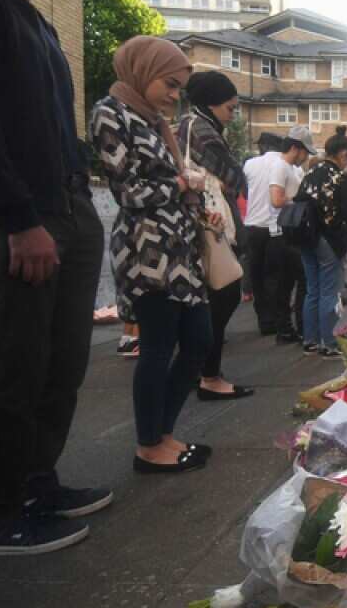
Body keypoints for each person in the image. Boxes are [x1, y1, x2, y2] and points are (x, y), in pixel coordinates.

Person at [0, 0, 111, 555]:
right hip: (19, 216)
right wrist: (17, 216)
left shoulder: (33, 22)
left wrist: (77, 203)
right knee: (13, 361)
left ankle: (35, 480)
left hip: (65, 206)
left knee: (60, 359)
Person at [91, 36, 212, 475]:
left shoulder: (156, 120)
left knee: (199, 340)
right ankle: (149, 444)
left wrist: (192, 195)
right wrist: (183, 186)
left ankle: (163, 432)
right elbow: (126, 190)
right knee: (158, 347)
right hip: (146, 250)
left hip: (181, 247)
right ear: (143, 72)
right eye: (170, 84)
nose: (174, 95)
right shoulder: (111, 111)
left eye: (179, 87)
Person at [178, 70, 254, 401]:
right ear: (211, 103)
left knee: (215, 298)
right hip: (208, 223)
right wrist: (226, 180)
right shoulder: (200, 128)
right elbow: (233, 174)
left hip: (199, 222)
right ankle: (208, 375)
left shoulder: (187, 124)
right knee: (223, 293)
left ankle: (206, 372)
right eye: (230, 107)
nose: (232, 114)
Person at [294, 133, 347, 358]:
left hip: (305, 237)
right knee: (330, 292)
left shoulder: (310, 173)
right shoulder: (342, 178)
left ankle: (310, 340)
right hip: (330, 239)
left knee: (313, 290)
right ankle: (329, 342)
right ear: (343, 154)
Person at [242, 130, 310, 338]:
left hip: (253, 225)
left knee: (258, 277)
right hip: (277, 228)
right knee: (277, 276)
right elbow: (287, 197)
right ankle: (280, 321)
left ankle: (266, 321)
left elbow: (244, 191)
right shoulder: (286, 167)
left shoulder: (250, 164)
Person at [273, 125, 315, 343]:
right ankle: (297, 328)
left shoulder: (292, 168)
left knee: (291, 283)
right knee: (298, 282)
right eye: (305, 151)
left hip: (291, 231)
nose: (306, 157)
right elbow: (276, 199)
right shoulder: (281, 166)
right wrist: (301, 199)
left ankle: (290, 328)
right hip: (285, 232)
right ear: (296, 148)